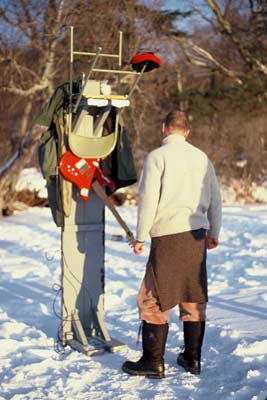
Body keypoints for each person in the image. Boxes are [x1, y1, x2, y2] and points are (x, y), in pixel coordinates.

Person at [122, 110, 222, 378]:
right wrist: (214, 231)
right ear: (187, 132)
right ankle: (192, 359)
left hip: (167, 236)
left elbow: (148, 199)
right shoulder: (202, 158)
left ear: (164, 128)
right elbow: (215, 198)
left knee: (151, 298)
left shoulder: (157, 157)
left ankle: (152, 362)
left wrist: (140, 235)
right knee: (193, 295)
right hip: (197, 235)